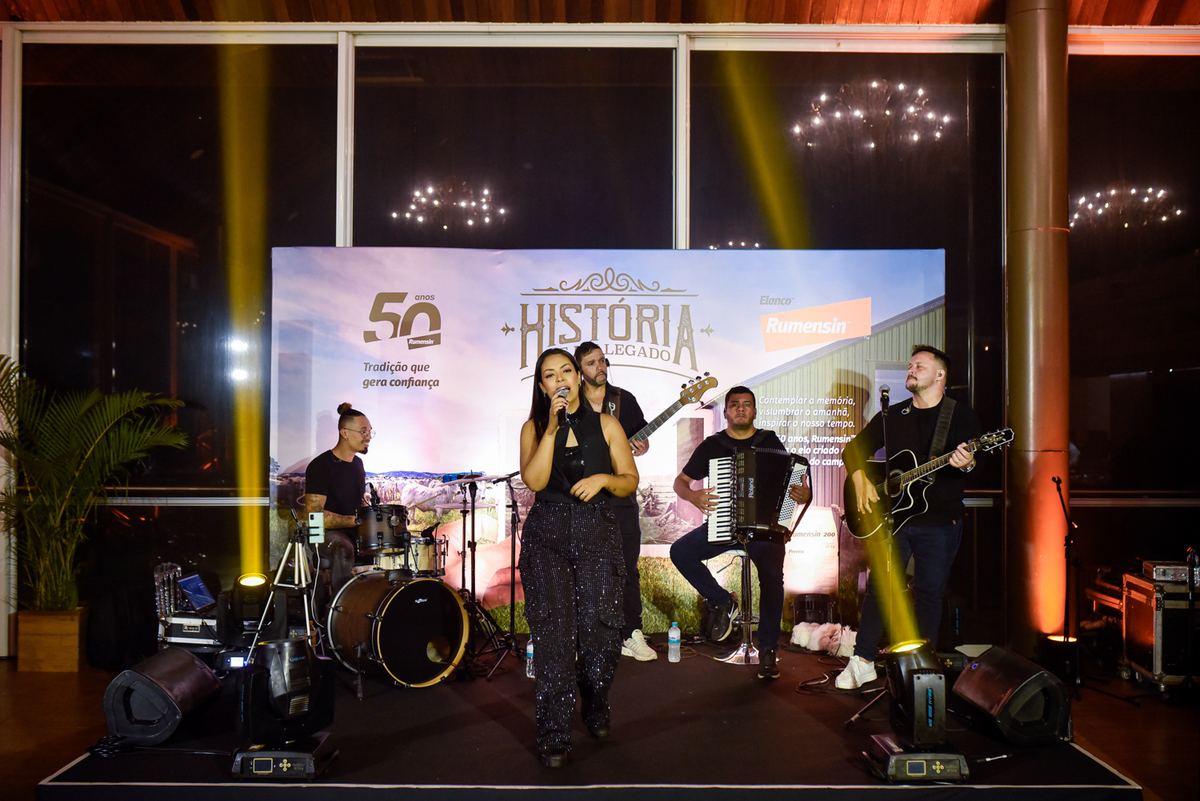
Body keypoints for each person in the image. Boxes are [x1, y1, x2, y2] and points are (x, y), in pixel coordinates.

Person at [835, 345, 983, 690]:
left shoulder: (960, 415)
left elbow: (979, 464)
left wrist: (969, 463)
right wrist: (859, 478)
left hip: (940, 522)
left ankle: (921, 671)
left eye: (920, 366)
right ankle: (862, 661)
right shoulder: (893, 415)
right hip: (894, 520)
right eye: (910, 365)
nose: (911, 369)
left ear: (940, 375)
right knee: (880, 589)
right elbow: (853, 449)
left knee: (929, 595)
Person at [519, 348, 640, 767]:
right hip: (547, 533)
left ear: (578, 377)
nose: (560, 380)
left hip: (596, 529)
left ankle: (595, 702)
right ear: (543, 387)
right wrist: (552, 429)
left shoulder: (607, 424)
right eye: (550, 376)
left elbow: (629, 480)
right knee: (553, 637)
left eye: (566, 371)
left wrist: (604, 478)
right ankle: (554, 733)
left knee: (600, 632)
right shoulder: (535, 428)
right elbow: (535, 481)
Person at [670, 386, 811, 680]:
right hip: (726, 525)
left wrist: (804, 493)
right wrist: (693, 496)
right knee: (680, 552)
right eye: (735, 404)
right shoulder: (713, 445)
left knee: (772, 579)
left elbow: (792, 480)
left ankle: (768, 649)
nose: (741, 409)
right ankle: (722, 600)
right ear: (726, 412)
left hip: (765, 530)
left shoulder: (769, 441)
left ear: (755, 411)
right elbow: (680, 482)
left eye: (747, 404)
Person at [574, 341, 657, 662]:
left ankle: (630, 632)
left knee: (627, 568)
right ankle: (583, 637)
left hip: (621, 497)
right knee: (581, 570)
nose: (600, 367)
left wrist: (643, 446)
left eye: (602, 361)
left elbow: (641, 439)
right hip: (583, 498)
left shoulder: (624, 400)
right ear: (580, 370)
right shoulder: (571, 402)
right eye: (592, 363)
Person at [305, 402, 373, 596]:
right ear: (345, 433)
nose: (368, 437)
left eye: (370, 432)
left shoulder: (358, 464)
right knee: (344, 547)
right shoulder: (320, 466)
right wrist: (357, 521)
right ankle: (339, 607)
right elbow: (315, 516)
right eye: (363, 431)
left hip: (353, 530)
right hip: (323, 534)